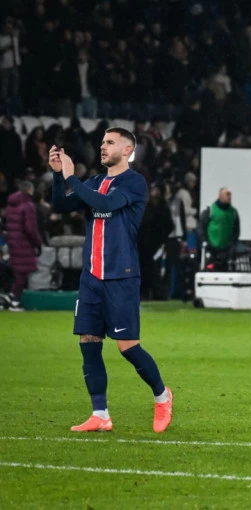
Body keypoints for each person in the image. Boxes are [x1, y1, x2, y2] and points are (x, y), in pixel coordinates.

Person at [49, 127, 173, 433]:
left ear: (127, 149)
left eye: (110, 142)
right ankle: (100, 414)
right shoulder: (94, 182)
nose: (102, 146)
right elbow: (62, 205)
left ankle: (162, 396)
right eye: (102, 142)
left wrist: (71, 177)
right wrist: (57, 175)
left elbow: (104, 204)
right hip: (91, 277)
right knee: (88, 343)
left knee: (127, 347)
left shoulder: (134, 182)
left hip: (121, 276)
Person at [4, 180, 43, 311]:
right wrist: (38, 243)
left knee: (18, 272)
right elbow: (30, 228)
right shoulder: (28, 205)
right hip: (24, 243)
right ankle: (14, 300)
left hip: (13, 242)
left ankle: (11, 296)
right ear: (29, 190)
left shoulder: (10, 205)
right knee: (22, 273)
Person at [198, 187, 241, 268]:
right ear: (220, 196)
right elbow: (201, 226)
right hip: (211, 248)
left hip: (227, 249)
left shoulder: (233, 212)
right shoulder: (211, 210)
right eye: (227, 195)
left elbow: (236, 229)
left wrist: (232, 243)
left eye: (230, 195)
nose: (229, 197)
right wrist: (204, 241)